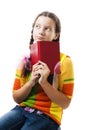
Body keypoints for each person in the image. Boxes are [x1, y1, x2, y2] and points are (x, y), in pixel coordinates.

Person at [0, 11, 74, 130]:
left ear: (56, 35)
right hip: (22, 110)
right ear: (33, 29)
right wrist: (31, 82)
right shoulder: (24, 60)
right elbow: (16, 97)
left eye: (47, 28)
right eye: (37, 27)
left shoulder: (64, 61)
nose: (41, 32)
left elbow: (65, 103)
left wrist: (44, 82)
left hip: (47, 116)